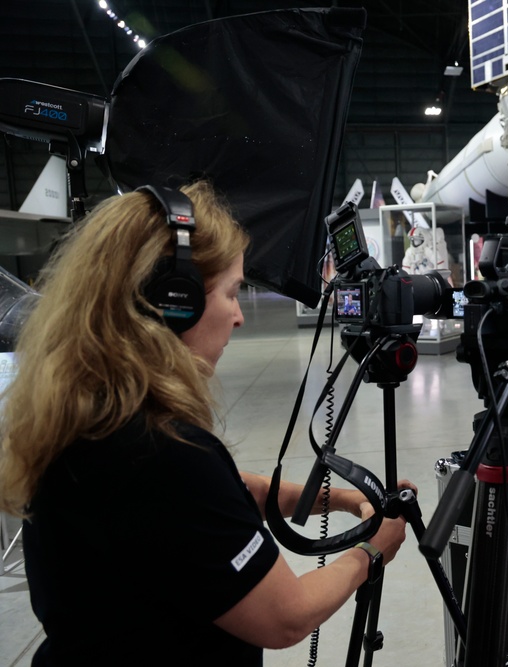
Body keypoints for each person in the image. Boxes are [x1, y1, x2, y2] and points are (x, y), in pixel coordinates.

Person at [0, 181, 408, 665]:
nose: (238, 316)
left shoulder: (91, 409)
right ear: (175, 300)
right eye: (232, 293)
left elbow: (230, 492)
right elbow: (287, 616)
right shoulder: (160, 451)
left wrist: (344, 499)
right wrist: (375, 549)